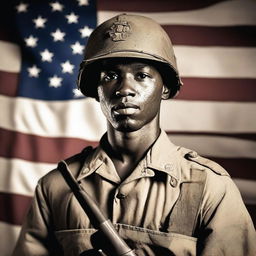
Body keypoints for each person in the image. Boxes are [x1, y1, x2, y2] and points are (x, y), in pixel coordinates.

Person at [13, 14, 256, 256]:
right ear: (96, 91)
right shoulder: (56, 187)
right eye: (110, 76)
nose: (124, 89)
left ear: (166, 87)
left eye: (142, 76)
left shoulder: (209, 187)